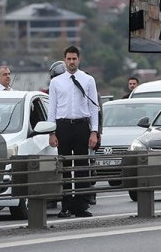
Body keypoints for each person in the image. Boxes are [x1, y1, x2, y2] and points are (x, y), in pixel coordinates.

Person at [47, 46, 99, 218]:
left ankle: (81, 206)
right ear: (64, 60)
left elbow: (93, 108)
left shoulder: (88, 80)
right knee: (65, 168)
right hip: (63, 126)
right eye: (68, 59)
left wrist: (94, 131)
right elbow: (51, 109)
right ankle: (66, 206)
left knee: (82, 167)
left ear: (79, 59)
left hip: (81, 126)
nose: (71, 62)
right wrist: (51, 132)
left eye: (74, 59)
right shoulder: (56, 82)